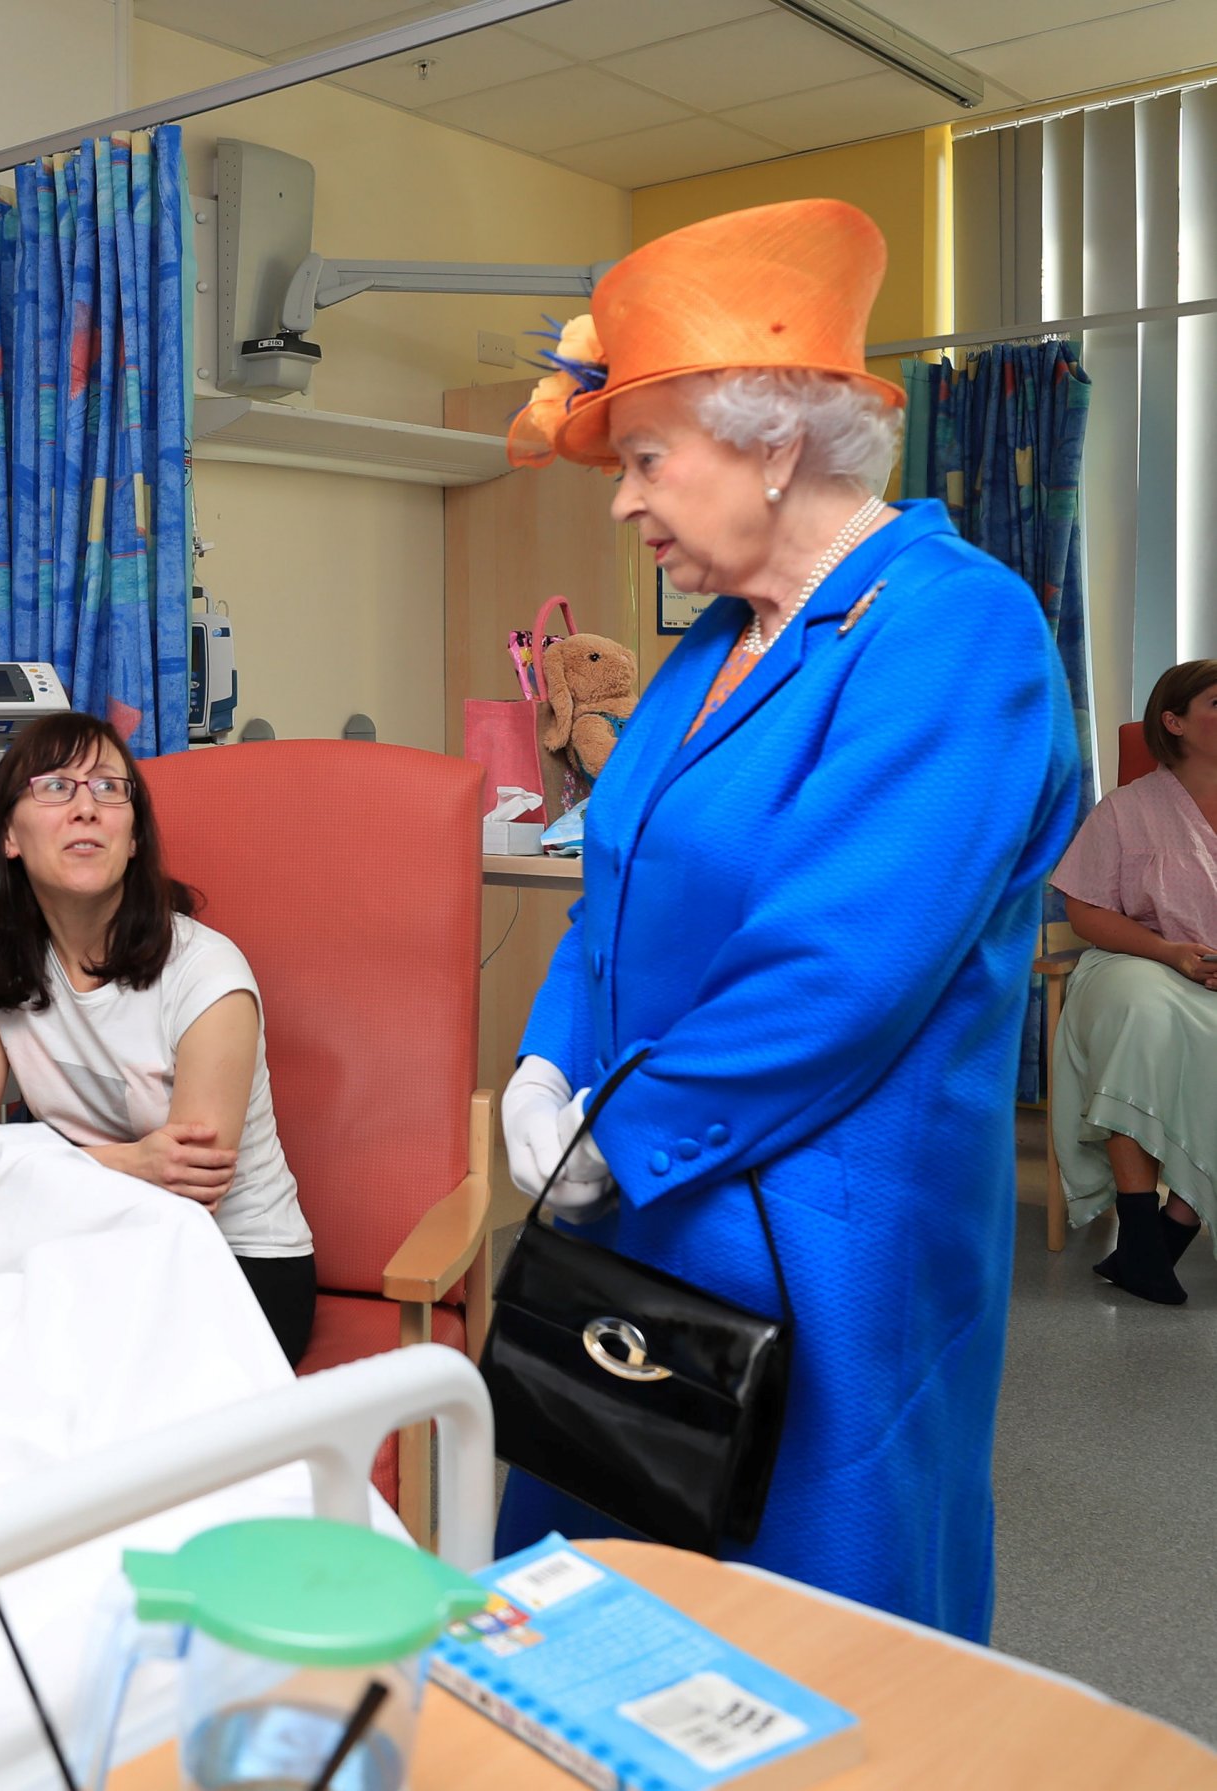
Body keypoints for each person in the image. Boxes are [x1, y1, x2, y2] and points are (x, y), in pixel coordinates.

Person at [496, 199, 1080, 1640]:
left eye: (644, 459)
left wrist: (611, 1126)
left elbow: (840, 969)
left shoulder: (956, 627)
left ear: (770, 443)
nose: (625, 503)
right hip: (637, 1209)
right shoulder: (714, 639)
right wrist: (545, 1056)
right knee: (602, 1597)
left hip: (821, 1230)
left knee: (812, 1634)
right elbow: (612, 885)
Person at [0, 712, 318, 1364]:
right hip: (77, 1245)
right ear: (10, 835)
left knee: (49, 1374)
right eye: (55, 787)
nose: (85, 808)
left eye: (108, 788)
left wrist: (2, 1172)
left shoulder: (208, 977)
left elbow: (186, 1194)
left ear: (133, 840)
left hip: (234, 1268)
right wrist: (134, 1161)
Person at [1048, 660, 1217, 1305]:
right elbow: (1085, 910)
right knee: (1141, 1012)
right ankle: (1142, 1226)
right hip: (1141, 963)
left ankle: (1174, 1226)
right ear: (1174, 723)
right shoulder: (1127, 809)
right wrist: (1169, 952)